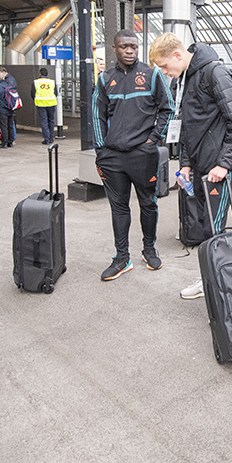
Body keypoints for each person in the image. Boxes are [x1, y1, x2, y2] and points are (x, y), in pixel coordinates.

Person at [148, 32, 232, 300]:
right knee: (206, 223)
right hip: (200, 162)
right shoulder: (185, 78)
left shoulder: (215, 73)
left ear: (177, 55)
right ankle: (212, 276)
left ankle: (213, 281)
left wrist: (224, 165)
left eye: (164, 66)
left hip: (219, 165)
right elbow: (187, 126)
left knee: (214, 226)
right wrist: (185, 164)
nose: (164, 72)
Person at [92, 29, 173, 281]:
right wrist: (101, 148)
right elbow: (97, 114)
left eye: (134, 47)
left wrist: (152, 140)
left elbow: (168, 108)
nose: (129, 51)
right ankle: (121, 258)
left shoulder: (152, 75)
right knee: (118, 207)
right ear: (114, 48)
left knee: (148, 203)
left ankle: (149, 249)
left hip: (143, 154)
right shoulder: (105, 78)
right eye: (124, 46)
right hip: (113, 156)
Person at [0, 65, 18, 148]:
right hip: (10, 108)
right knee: (10, 125)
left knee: (4, 126)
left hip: (2, 110)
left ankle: (4, 143)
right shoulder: (8, 86)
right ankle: (10, 141)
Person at [32, 67, 57, 145]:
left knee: (44, 121)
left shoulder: (36, 82)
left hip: (41, 104)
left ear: (40, 74)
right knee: (51, 120)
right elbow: (56, 93)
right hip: (51, 103)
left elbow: (32, 94)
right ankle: (51, 138)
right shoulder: (52, 82)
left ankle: (46, 139)